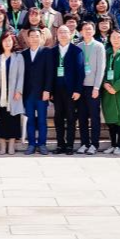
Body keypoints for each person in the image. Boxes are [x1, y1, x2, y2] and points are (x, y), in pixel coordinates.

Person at [0, 31, 25, 155]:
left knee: (13, 119)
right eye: (5, 41)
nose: (7, 43)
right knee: (0, 120)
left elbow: (21, 75)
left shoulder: (18, 57)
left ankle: (12, 145)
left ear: (13, 42)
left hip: (14, 93)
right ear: (1, 43)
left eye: (10, 40)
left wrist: (19, 91)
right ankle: (2, 145)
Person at [50, 26, 85, 155]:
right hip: (56, 91)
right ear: (57, 35)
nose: (63, 34)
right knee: (58, 118)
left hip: (71, 91)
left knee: (71, 118)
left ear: (70, 34)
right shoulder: (52, 51)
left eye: (66, 32)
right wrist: (50, 91)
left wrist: (78, 90)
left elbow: (80, 72)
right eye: (60, 32)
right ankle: (60, 145)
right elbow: (49, 73)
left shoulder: (77, 51)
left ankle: (70, 145)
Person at [20, 27, 55, 155]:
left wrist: (47, 90)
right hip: (28, 93)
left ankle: (42, 144)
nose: (34, 39)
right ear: (28, 39)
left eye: (37, 36)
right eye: (32, 36)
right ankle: (31, 144)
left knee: (41, 120)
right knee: (30, 120)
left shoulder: (46, 52)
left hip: (42, 93)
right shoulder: (23, 54)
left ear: (41, 38)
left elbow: (50, 73)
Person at [76, 20, 106, 154]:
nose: (87, 31)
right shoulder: (78, 46)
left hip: (93, 87)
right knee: (82, 116)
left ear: (94, 31)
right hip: (80, 87)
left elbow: (101, 68)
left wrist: (96, 87)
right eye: (85, 29)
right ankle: (84, 143)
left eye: (90, 29)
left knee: (94, 117)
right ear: (81, 32)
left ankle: (94, 144)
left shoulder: (99, 46)